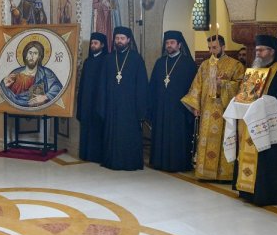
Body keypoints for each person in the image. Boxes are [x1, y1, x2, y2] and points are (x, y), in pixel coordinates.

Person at [231, 34, 277, 206]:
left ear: (271, 51)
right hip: (251, 125)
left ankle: (268, 194)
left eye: (260, 50)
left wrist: (264, 102)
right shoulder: (254, 72)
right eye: (256, 50)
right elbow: (246, 95)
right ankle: (247, 191)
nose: (257, 54)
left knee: (268, 160)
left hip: (270, 128)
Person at [181, 34, 245, 182]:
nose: (211, 51)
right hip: (207, 111)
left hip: (224, 111)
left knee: (224, 140)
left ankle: (224, 174)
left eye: (214, 47)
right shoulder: (204, 65)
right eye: (209, 48)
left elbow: (242, 86)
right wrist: (195, 105)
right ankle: (205, 173)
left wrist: (224, 84)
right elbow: (197, 85)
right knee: (206, 140)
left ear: (223, 47)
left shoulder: (235, 65)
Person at [147, 30, 198, 172]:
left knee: (177, 136)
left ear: (179, 45)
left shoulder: (188, 64)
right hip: (161, 108)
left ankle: (178, 163)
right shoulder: (160, 62)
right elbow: (153, 86)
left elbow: (194, 88)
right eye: (167, 43)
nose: (169, 45)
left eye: (172, 43)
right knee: (161, 134)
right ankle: (159, 162)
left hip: (179, 109)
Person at [98, 26, 147, 171]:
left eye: (122, 38)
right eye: (117, 38)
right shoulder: (108, 59)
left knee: (128, 134)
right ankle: (111, 161)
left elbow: (142, 85)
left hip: (130, 106)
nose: (119, 41)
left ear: (129, 40)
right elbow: (102, 84)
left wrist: (141, 108)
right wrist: (102, 105)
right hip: (112, 105)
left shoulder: (136, 59)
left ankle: (129, 162)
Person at [0, 37, 64, 108]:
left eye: (35, 53)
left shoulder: (46, 73)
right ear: (26, 55)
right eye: (30, 53)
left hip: (39, 110)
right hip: (14, 109)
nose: (32, 56)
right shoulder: (15, 73)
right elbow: (6, 93)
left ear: (39, 57)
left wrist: (45, 97)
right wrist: (3, 83)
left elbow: (57, 87)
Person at [75, 32, 108, 162]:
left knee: (96, 129)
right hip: (86, 101)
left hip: (98, 101)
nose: (93, 45)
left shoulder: (106, 61)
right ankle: (85, 154)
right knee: (86, 128)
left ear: (102, 45)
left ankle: (95, 156)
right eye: (92, 43)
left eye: (96, 43)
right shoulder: (88, 61)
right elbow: (83, 83)